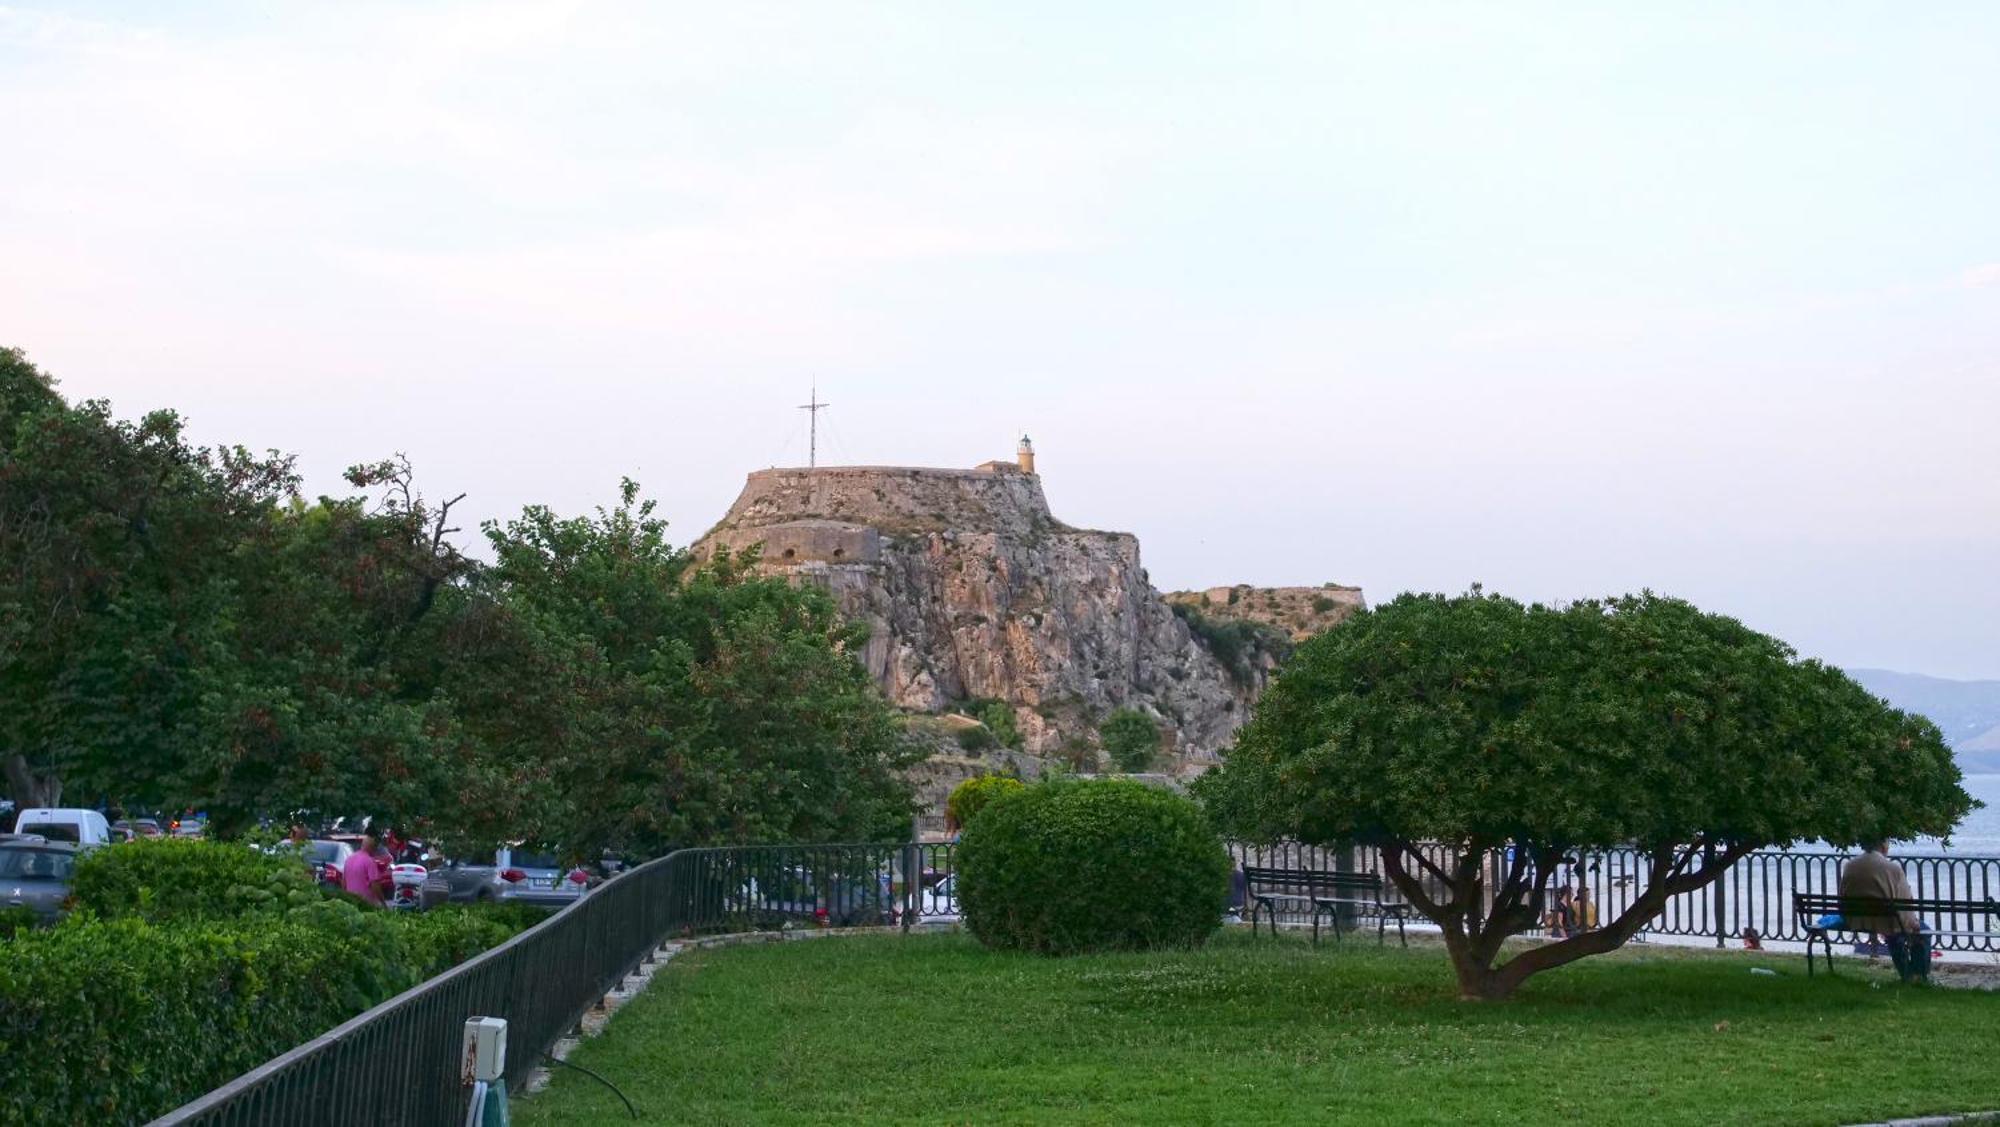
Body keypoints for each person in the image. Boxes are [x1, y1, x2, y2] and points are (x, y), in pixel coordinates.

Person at [1838, 840, 1930, 983]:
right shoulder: (1892, 868)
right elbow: (1905, 903)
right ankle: (1916, 977)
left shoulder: (1850, 866)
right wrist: (1913, 922)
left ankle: (1909, 976)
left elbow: (1842, 896)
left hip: (1855, 920)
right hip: (1887, 922)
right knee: (1922, 931)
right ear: (1883, 847)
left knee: (1894, 931)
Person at [341, 831, 389, 905]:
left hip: (351, 902)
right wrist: (383, 903)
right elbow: (375, 885)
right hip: (365, 903)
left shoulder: (348, 859)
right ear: (372, 848)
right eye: (375, 848)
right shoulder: (369, 861)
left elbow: (344, 882)